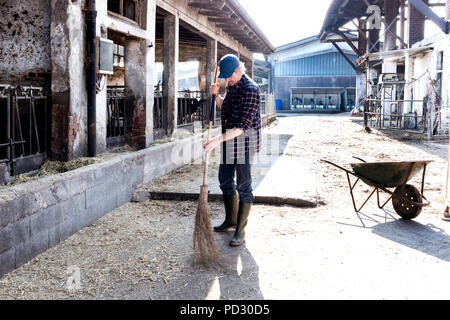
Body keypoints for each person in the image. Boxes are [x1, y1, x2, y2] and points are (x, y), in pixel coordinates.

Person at [203, 54, 262, 247]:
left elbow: (242, 126)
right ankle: (231, 220)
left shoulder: (251, 89)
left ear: (239, 70)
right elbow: (226, 108)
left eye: (230, 76)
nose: (227, 80)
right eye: (225, 77)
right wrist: (217, 97)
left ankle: (240, 229)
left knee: (244, 185)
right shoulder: (231, 85)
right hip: (230, 141)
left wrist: (216, 140)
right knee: (225, 180)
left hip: (246, 143)